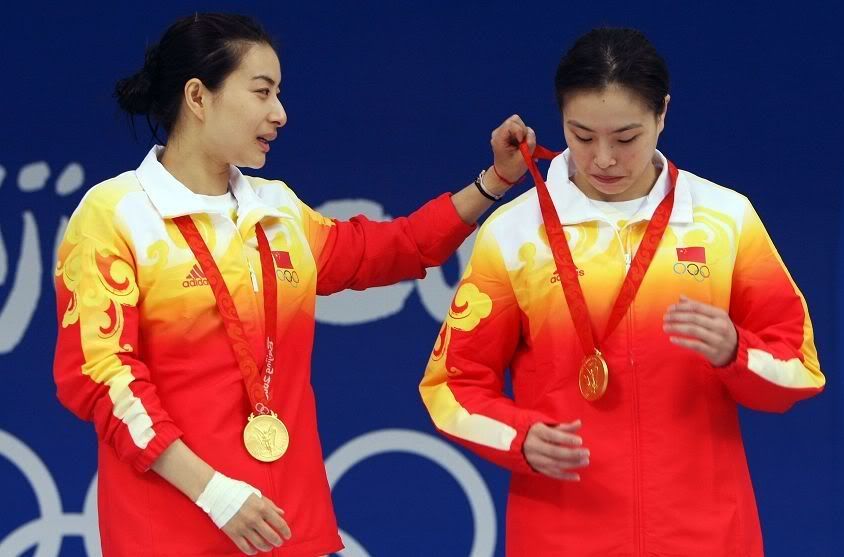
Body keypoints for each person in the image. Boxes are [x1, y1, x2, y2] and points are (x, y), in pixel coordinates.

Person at [52, 13, 533, 557]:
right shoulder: (114, 214)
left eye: (279, 94)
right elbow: (102, 377)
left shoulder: (276, 208)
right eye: (262, 92)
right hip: (173, 528)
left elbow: (393, 249)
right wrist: (213, 493)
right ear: (198, 96)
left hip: (288, 527)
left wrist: (494, 182)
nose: (280, 114)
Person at [420, 27, 824, 556]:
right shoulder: (516, 233)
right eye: (581, 136)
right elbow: (452, 384)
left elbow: (800, 365)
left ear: (662, 115)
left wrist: (736, 352)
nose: (603, 158)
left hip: (707, 537)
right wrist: (517, 436)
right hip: (561, 537)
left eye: (626, 137)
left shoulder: (725, 219)